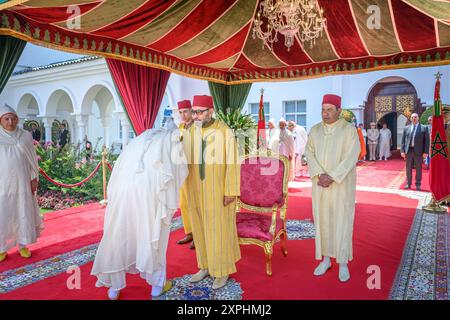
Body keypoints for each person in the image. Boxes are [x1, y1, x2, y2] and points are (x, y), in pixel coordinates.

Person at [91, 118, 188, 300]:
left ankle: (114, 289)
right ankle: (157, 286)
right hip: (149, 194)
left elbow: (117, 172)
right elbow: (180, 171)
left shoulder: (140, 139)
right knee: (154, 236)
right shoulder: (171, 140)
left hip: (123, 193)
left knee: (118, 235)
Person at [187, 95, 241, 290]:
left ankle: (222, 270)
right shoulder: (191, 131)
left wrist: (231, 191)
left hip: (218, 190)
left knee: (218, 229)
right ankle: (205, 265)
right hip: (195, 188)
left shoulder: (224, 132)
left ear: (210, 112)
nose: (196, 116)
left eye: (200, 112)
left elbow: (233, 163)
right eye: (194, 111)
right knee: (200, 226)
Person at [305, 94, 360, 282]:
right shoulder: (314, 130)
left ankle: (343, 262)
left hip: (341, 186)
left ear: (338, 111)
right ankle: (326, 259)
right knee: (323, 221)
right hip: (320, 184)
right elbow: (308, 153)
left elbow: (352, 156)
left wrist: (333, 176)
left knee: (342, 220)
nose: (325, 113)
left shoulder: (349, 130)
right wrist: (320, 174)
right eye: (323, 109)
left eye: (329, 110)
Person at [0, 104, 43, 262]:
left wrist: (34, 179)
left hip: (23, 182)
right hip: (3, 184)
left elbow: (32, 160)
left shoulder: (25, 135)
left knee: (22, 211)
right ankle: (2, 248)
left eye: (13, 118)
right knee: (3, 213)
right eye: (6, 118)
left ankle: (23, 245)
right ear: (0, 120)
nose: (10, 121)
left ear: (17, 119)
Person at [177, 99, 195, 250]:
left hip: (195, 170)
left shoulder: (198, 127)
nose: (183, 115)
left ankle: (198, 235)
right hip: (182, 170)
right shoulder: (180, 127)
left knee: (195, 203)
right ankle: (189, 232)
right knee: (183, 203)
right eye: (181, 112)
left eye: (185, 111)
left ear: (191, 111)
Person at [400, 113, 430, 191]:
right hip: (408, 151)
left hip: (419, 151)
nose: (414, 118)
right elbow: (403, 141)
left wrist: (426, 152)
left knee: (418, 168)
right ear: (410, 118)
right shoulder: (406, 128)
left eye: (415, 117)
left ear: (418, 118)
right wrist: (402, 151)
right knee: (408, 168)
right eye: (412, 117)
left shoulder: (424, 128)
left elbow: (427, 141)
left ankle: (418, 184)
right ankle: (408, 183)